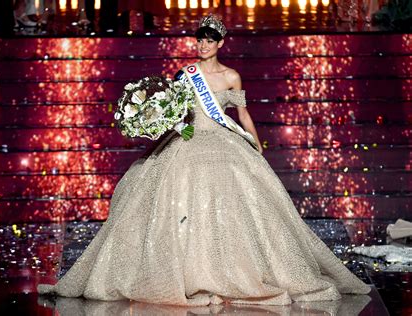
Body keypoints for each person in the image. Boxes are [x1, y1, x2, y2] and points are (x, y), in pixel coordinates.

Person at [38, 14, 371, 306]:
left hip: (224, 141)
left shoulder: (231, 77)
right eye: (199, 40)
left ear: (220, 43)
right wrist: (163, 128)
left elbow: (241, 114)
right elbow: (175, 112)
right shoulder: (186, 73)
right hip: (189, 139)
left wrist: (256, 144)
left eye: (209, 41)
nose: (202, 45)